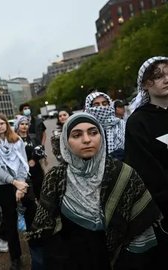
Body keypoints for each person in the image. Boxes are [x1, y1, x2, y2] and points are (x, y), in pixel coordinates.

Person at [27, 113, 161, 270]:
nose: (86, 140)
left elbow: (141, 226)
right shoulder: (56, 177)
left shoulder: (122, 173)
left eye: (93, 132)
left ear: (102, 136)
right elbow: (46, 230)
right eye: (77, 135)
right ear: (65, 141)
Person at [125, 56, 168, 268]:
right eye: (158, 76)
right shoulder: (137, 123)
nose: (165, 79)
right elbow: (146, 172)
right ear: (145, 84)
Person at [0, 113, 33, 270]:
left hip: (22, 183)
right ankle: (16, 258)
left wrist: (20, 183)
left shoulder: (17, 140)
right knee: (10, 223)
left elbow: (22, 162)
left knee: (32, 216)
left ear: (7, 124)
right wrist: (14, 182)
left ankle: (37, 250)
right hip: (5, 186)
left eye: (2, 123)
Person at [84, 91, 126, 160]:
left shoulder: (120, 123)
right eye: (96, 105)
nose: (101, 107)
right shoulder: (85, 127)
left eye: (104, 103)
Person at [14, 116, 45, 200]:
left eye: (26, 124)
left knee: (41, 194)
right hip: (23, 172)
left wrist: (35, 159)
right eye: (22, 124)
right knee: (28, 198)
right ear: (17, 125)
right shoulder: (14, 140)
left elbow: (41, 151)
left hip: (36, 170)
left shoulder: (33, 138)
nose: (24, 126)